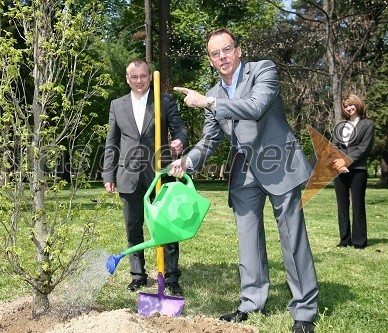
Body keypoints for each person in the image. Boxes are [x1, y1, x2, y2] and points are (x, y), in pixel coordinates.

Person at [168, 28, 318, 333]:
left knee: (291, 237)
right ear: (210, 60)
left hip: (279, 161)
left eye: (226, 49)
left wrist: (208, 102)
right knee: (248, 239)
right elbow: (209, 141)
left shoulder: (263, 70)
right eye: (215, 53)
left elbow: (255, 107)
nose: (222, 57)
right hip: (244, 170)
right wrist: (187, 161)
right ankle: (252, 301)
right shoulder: (214, 93)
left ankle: (304, 310)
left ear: (238, 50)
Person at [102, 59, 189, 295]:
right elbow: (112, 142)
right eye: (134, 77)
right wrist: (108, 173)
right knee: (133, 228)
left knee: (167, 227)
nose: (139, 81)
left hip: (159, 174)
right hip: (128, 175)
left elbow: (181, 128)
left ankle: (171, 277)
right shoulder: (117, 105)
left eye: (143, 76)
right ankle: (138, 275)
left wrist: (180, 140)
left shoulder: (164, 101)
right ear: (127, 79)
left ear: (150, 77)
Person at [331, 94, 374, 249]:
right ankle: (344, 240)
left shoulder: (368, 124)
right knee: (342, 206)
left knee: (357, 205)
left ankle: (359, 241)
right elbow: (334, 146)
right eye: (346, 106)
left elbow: (364, 148)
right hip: (339, 170)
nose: (348, 108)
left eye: (351, 105)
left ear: (358, 104)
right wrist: (339, 163)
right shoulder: (340, 125)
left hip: (358, 170)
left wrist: (346, 161)